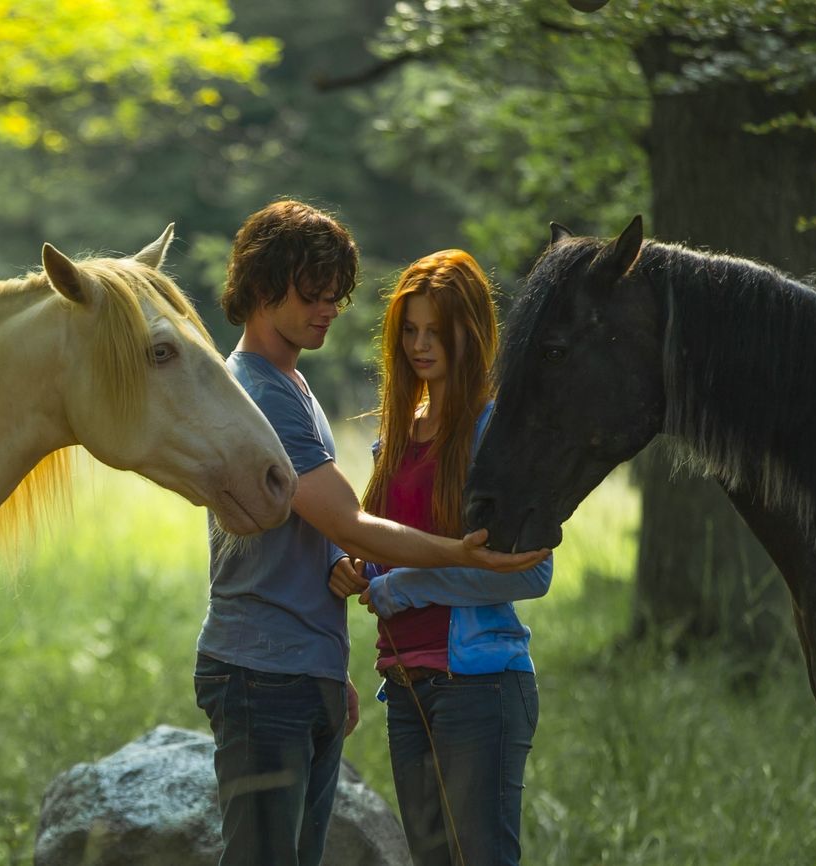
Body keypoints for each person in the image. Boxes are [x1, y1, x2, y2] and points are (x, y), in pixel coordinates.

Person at [194, 203, 548, 866]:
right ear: (264, 286)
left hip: (439, 680)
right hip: (313, 676)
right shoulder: (275, 399)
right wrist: (384, 567)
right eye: (312, 294)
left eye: (336, 295)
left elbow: (526, 569)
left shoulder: (299, 388)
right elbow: (352, 526)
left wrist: (359, 610)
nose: (329, 308)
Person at [334, 249, 554, 866]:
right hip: (403, 686)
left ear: (472, 330)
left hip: (478, 687)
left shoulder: (496, 432)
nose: (420, 345)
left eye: (437, 330)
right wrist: (358, 567)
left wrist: (407, 587)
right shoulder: (398, 434)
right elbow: (392, 546)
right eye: (410, 330)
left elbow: (533, 569)